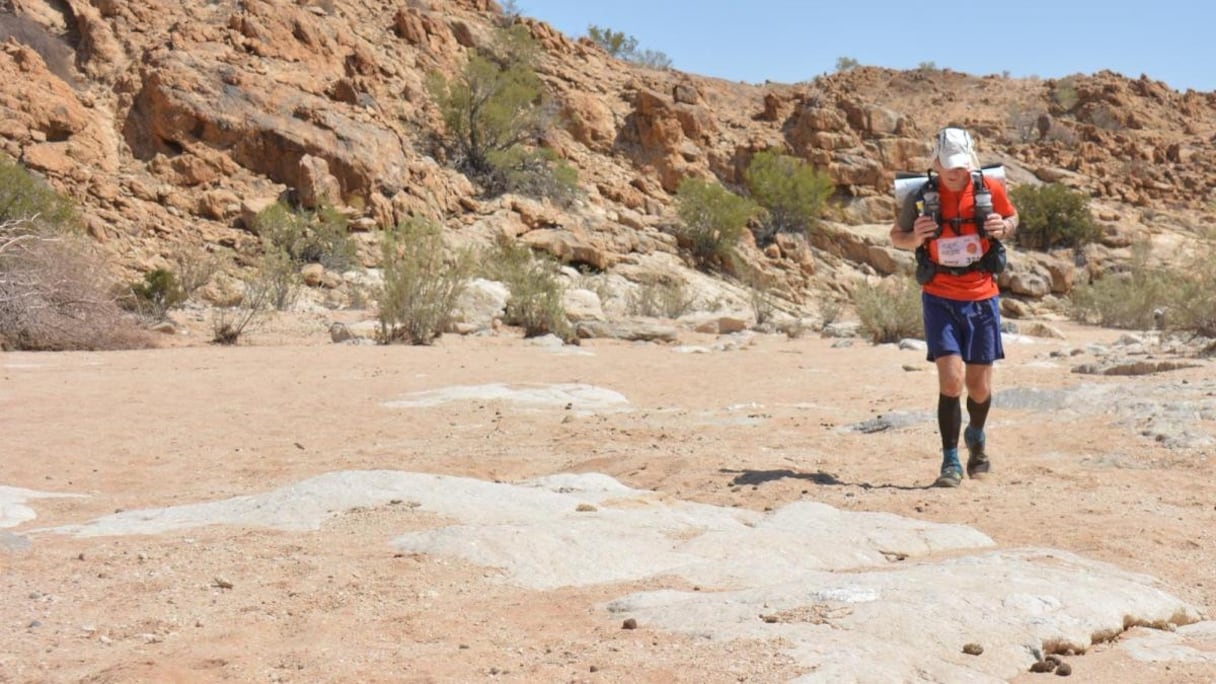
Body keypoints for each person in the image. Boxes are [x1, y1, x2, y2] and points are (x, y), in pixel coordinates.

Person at [888, 126, 1019, 488]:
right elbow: (895, 237)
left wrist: (1003, 226)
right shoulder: (919, 195)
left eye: (960, 165)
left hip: (981, 297)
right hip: (939, 296)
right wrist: (914, 237)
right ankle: (950, 462)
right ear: (935, 161)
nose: (954, 172)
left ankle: (975, 436)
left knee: (978, 388)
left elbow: (1012, 218)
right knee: (951, 381)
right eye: (948, 164)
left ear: (970, 162)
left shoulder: (988, 190)